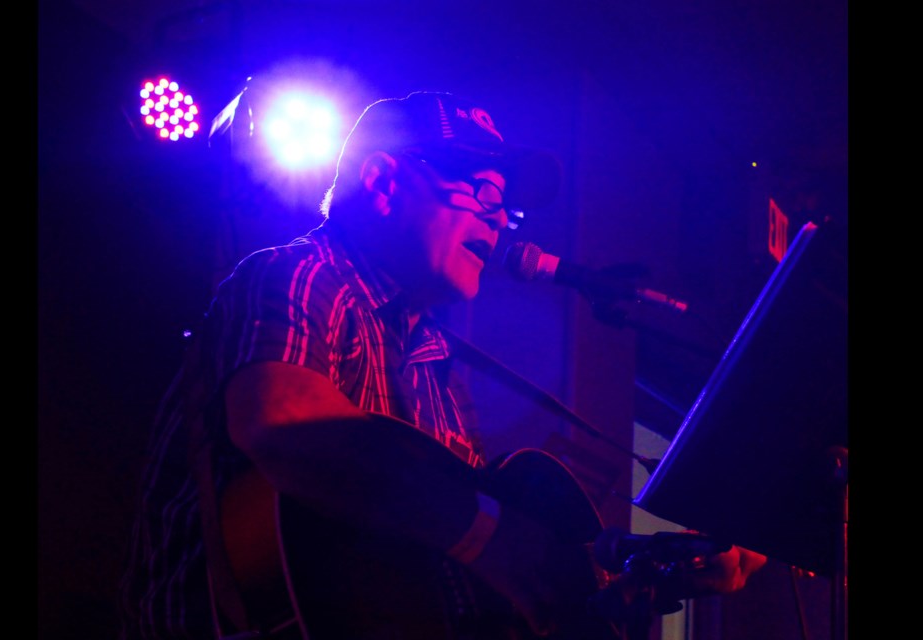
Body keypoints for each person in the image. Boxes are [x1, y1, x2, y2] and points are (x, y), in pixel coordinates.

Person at [118, 90, 766, 640]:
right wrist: (496, 537)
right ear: (384, 182)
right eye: (480, 188)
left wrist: (617, 568)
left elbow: (435, 563)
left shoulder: (432, 365)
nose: (499, 217)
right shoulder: (298, 274)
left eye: (503, 201)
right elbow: (285, 430)